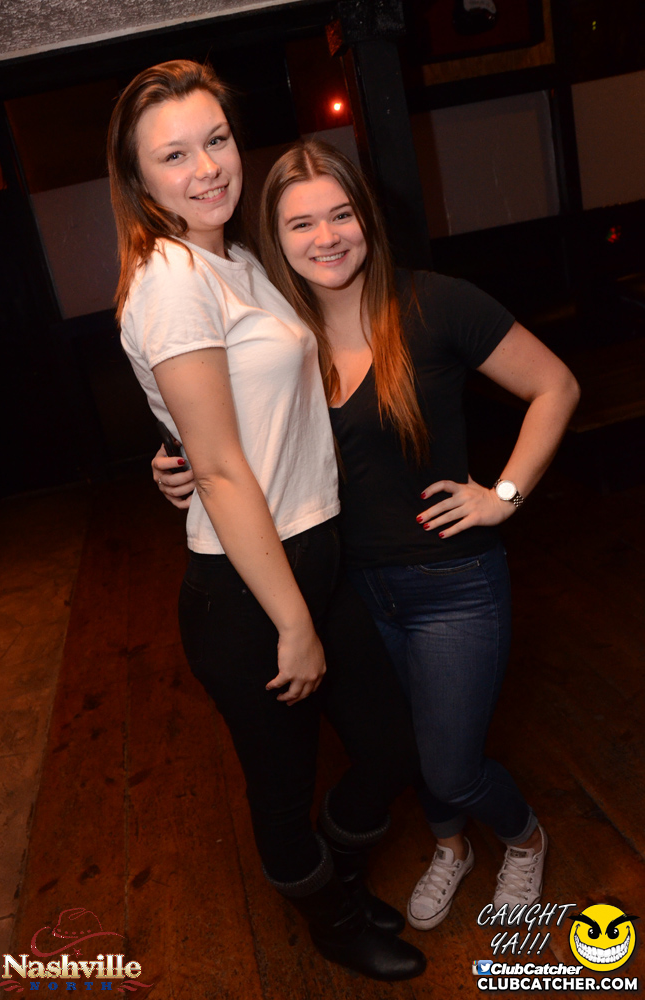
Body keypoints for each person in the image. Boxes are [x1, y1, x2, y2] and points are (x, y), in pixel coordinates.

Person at [154, 138, 580, 932]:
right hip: (345, 588)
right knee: (408, 749)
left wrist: (504, 495)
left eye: (341, 214)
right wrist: (173, 463)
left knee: (452, 764)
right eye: (300, 224)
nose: (326, 237)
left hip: (453, 586)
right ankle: (450, 848)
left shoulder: (436, 303)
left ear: (368, 219)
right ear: (274, 239)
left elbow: (555, 384)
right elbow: (227, 441)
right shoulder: (279, 339)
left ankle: (524, 838)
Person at [107, 61, 428, 982]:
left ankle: (338, 875)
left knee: (389, 744)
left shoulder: (235, 258)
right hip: (249, 591)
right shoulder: (173, 279)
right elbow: (217, 465)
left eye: (214, 140)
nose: (206, 167)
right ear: (138, 177)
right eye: (174, 155)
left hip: (313, 550)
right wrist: (292, 621)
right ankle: (332, 917)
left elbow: (224, 422)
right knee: (282, 790)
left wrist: (169, 454)